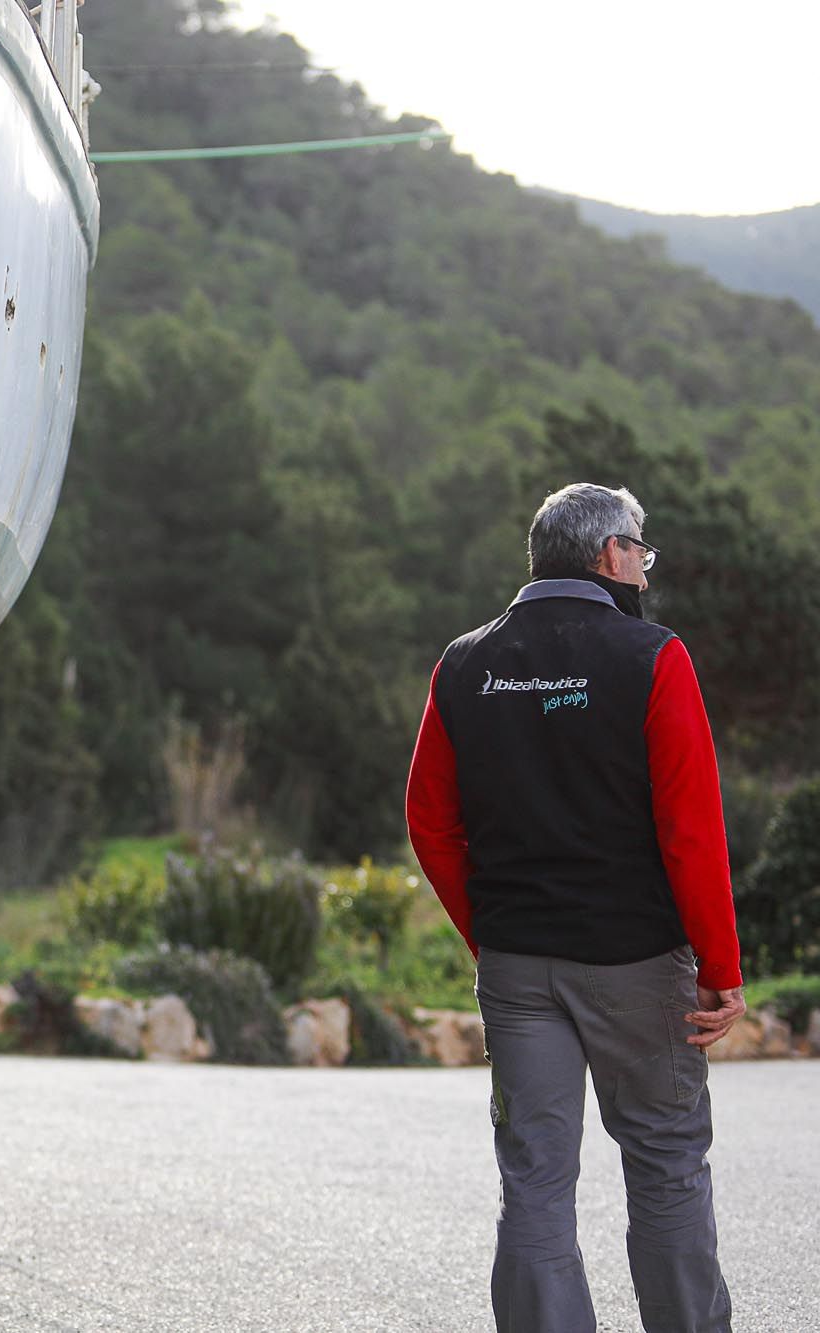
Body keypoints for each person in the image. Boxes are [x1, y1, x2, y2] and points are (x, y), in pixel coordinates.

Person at [404, 482, 745, 1333]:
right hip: (638, 961)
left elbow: (430, 822)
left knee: (535, 1180)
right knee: (665, 1162)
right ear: (608, 554)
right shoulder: (654, 656)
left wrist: (492, 935)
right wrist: (721, 964)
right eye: (641, 551)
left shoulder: (463, 664)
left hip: (519, 967)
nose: (645, 570)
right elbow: (692, 829)